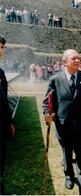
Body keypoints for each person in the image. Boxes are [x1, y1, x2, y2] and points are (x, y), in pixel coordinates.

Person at [43, 49, 81, 195]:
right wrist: (47, 113)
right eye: (74, 58)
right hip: (63, 125)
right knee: (67, 154)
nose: (78, 61)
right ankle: (69, 175)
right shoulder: (55, 79)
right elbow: (47, 101)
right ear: (65, 62)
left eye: (79, 58)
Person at [0, 35, 16, 194]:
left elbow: (5, 100)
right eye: (0, 47)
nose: (1, 50)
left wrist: (10, 122)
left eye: (2, 47)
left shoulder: (1, 73)